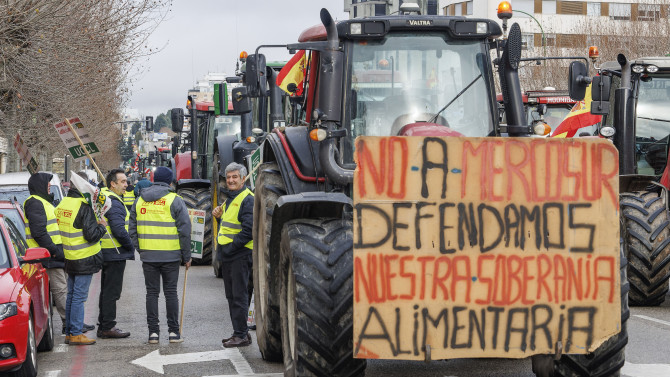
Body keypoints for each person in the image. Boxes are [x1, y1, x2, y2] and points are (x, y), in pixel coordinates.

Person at [129, 166, 191, 344]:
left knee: (152, 293)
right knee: (171, 293)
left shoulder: (140, 200)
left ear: (154, 179)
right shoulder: (175, 200)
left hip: (149, 256)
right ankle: (173, 333)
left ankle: (153, 334)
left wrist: (141, 249)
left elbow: (131, 227)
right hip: (171, 255)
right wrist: (186, 256)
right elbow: (184, 230)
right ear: (170, 182)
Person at [56, 172, 106, 346]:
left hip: (70, 256)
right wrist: (102, 227)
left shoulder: (63, 203)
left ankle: (71, 331)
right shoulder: (84, 206)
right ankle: (76, 333)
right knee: (78, 297)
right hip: (84, 257)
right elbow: (92, 235)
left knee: (71, 296)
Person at [212, 162, 254, 348]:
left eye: (235, 177)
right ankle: (240, 332)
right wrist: (218, 217)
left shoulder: (247, 198)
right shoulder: (230, 199)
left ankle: (241, 335)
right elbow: (229, 226)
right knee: (232, 296)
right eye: (228, 177)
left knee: (239, 296)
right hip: (230, 255)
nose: (230, 180)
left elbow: (248, 230)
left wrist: (231, 248)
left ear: (243, 179)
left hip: (240, 255)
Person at [97, 169, 134, 339]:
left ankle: (103, 324)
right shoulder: (114, 202)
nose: (126, 185)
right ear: (113, 183)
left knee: (106, 291)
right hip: (115, 252)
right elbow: (119, 230)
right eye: (123, 182)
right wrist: (130, 246)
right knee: (112, 292)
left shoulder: (103, 197)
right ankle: (107, 327)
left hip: (106, 251)